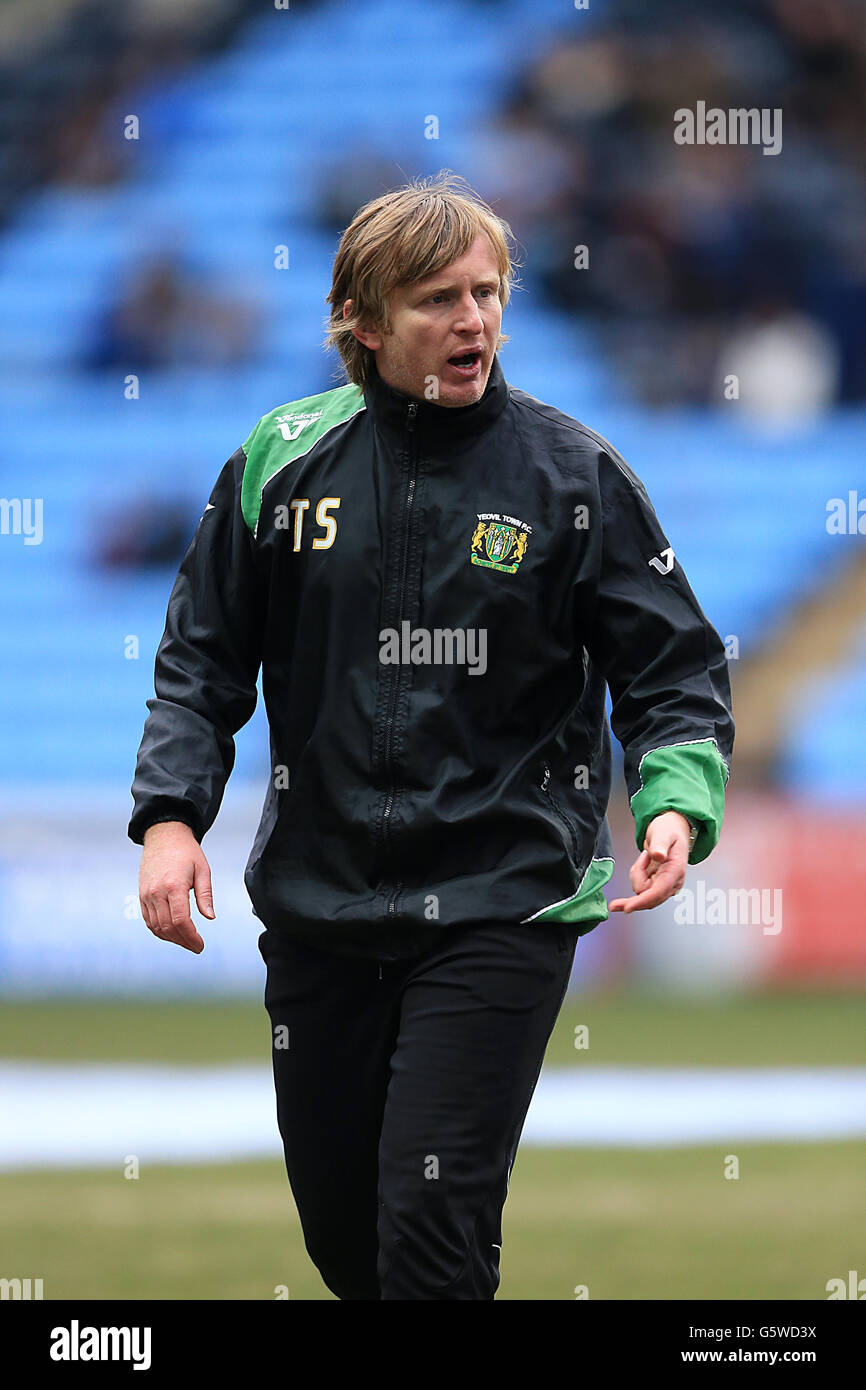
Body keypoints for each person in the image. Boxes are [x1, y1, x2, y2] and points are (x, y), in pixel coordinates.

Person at [129, 171, 734, 1300]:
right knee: (347, 1247)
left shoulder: (575, 477)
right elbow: (200, 657)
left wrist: (671, 800)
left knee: (427, 1229)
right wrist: (169, 821)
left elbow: (675, 668)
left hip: (501, 900)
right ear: (363, 320)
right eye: (439, 300)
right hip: (318, 910)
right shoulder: (278, 458)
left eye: (488, 293)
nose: (474, 323)